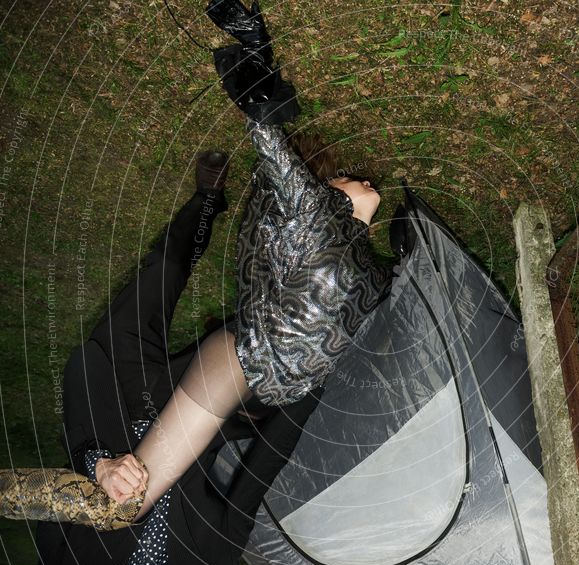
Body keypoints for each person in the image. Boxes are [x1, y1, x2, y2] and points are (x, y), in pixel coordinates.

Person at [0, 0, 393, 535]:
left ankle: (204, 209)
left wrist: (98, 464)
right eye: (353, 177)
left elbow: (268, 132)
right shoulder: (328, 227)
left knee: (161, 275)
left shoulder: (332, 231)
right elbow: (270, 139)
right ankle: (206, 207)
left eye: (353, 177)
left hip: (242, 367)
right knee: (127, 507)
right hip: (246, 365)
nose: (365, 180)